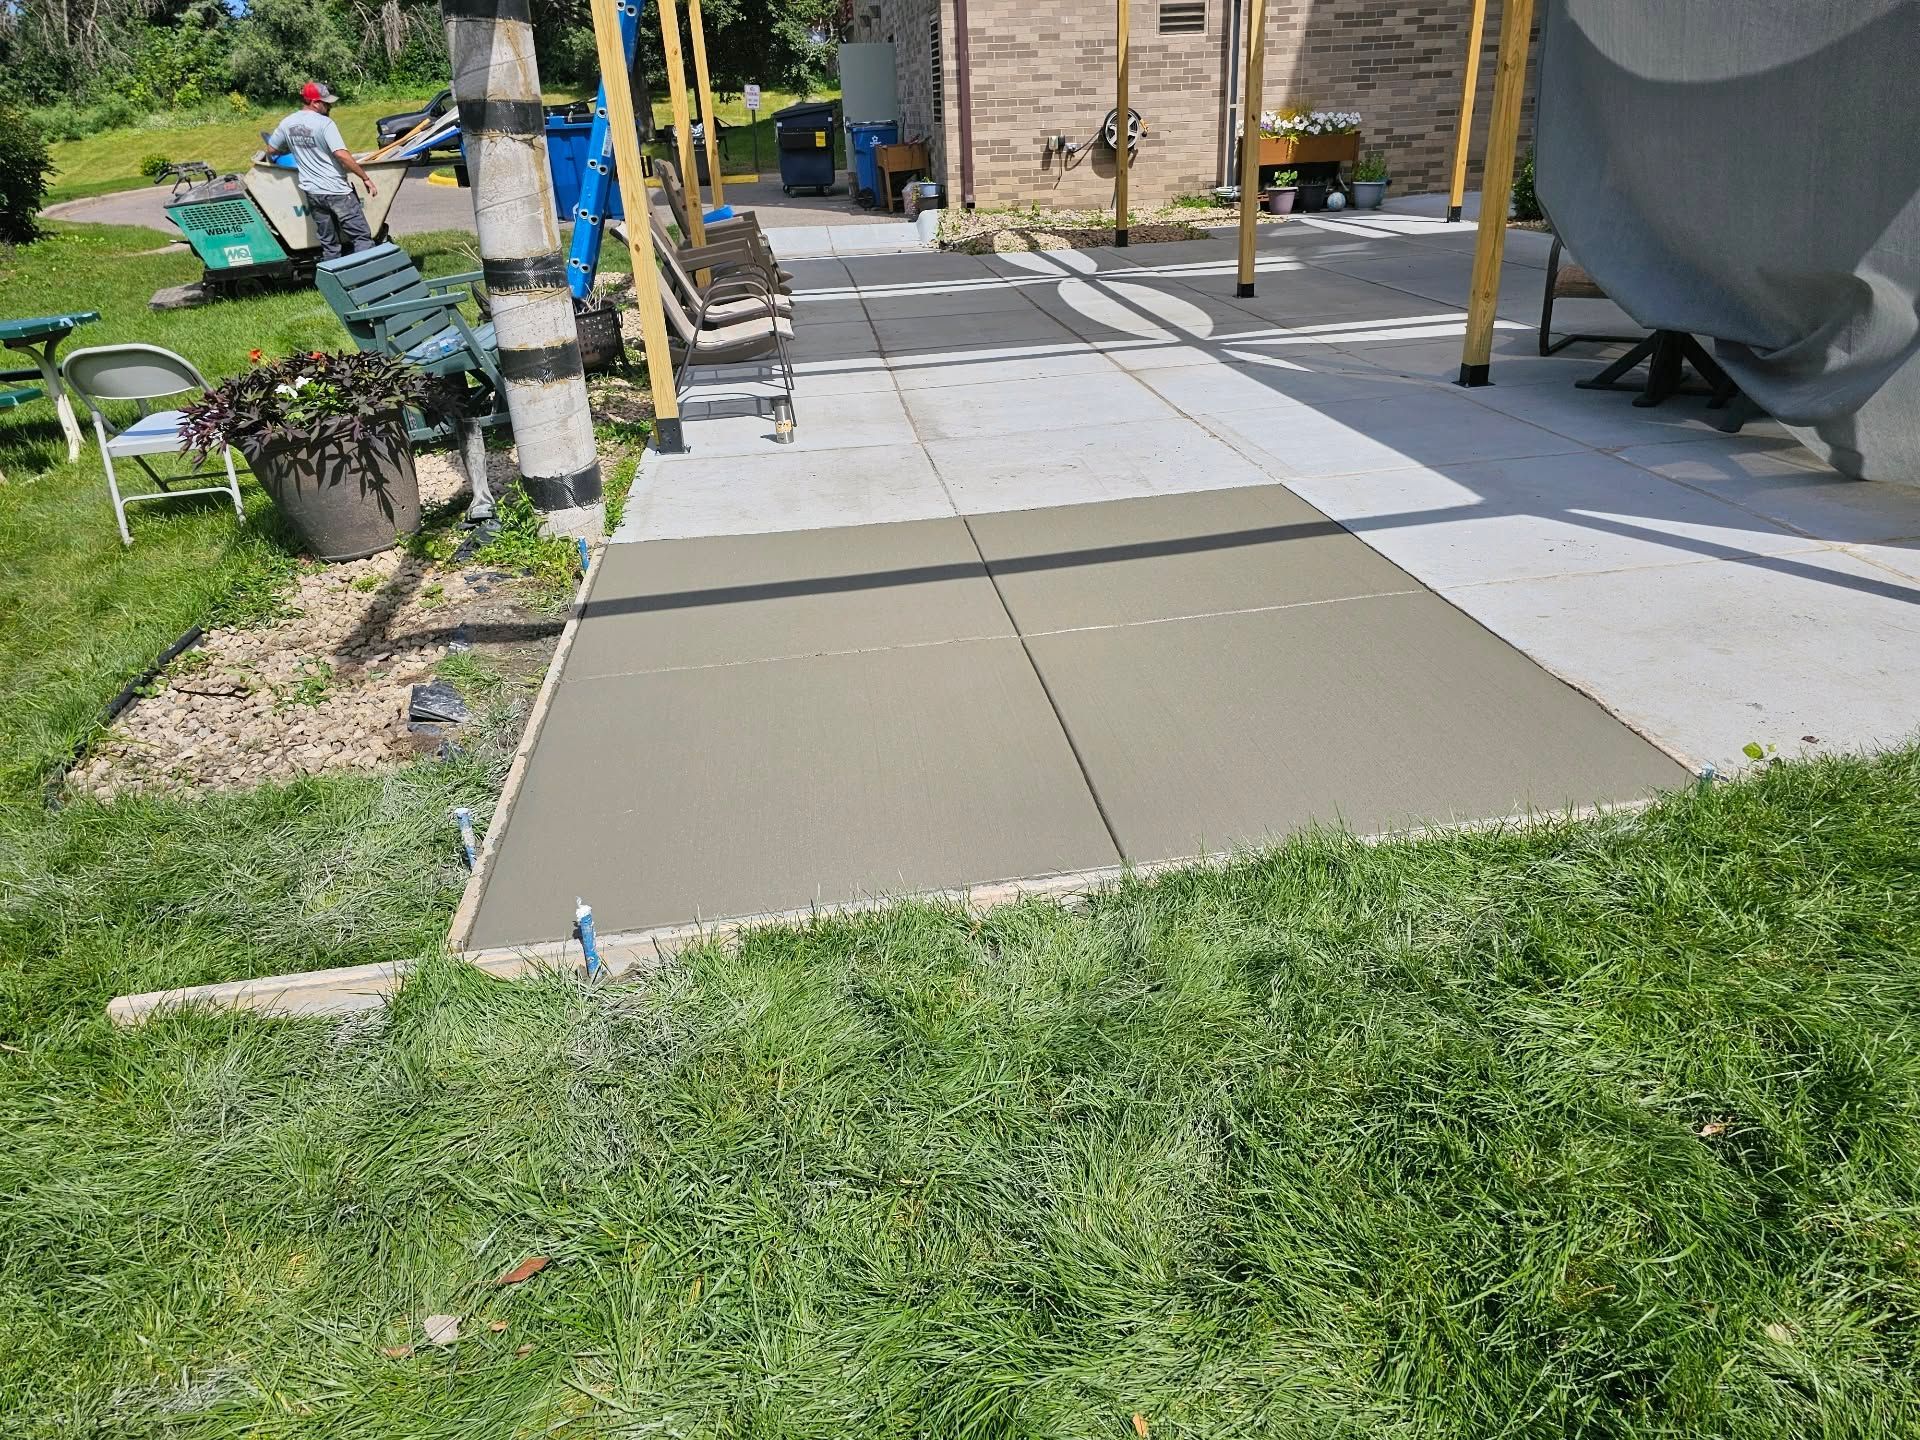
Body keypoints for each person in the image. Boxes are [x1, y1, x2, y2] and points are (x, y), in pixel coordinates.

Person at [267, 82, 378, 262]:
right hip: (337, 191)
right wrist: (365, 177)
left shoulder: (287, 123)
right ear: (314, 102)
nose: (329, 106)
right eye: (326, 103)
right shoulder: (325, 123)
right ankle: (367, 278)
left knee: (329, 244)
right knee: (361, 237)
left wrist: (294, 149)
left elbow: (271, 150)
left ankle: (335, 282)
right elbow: (341, 155)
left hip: (313, 193)